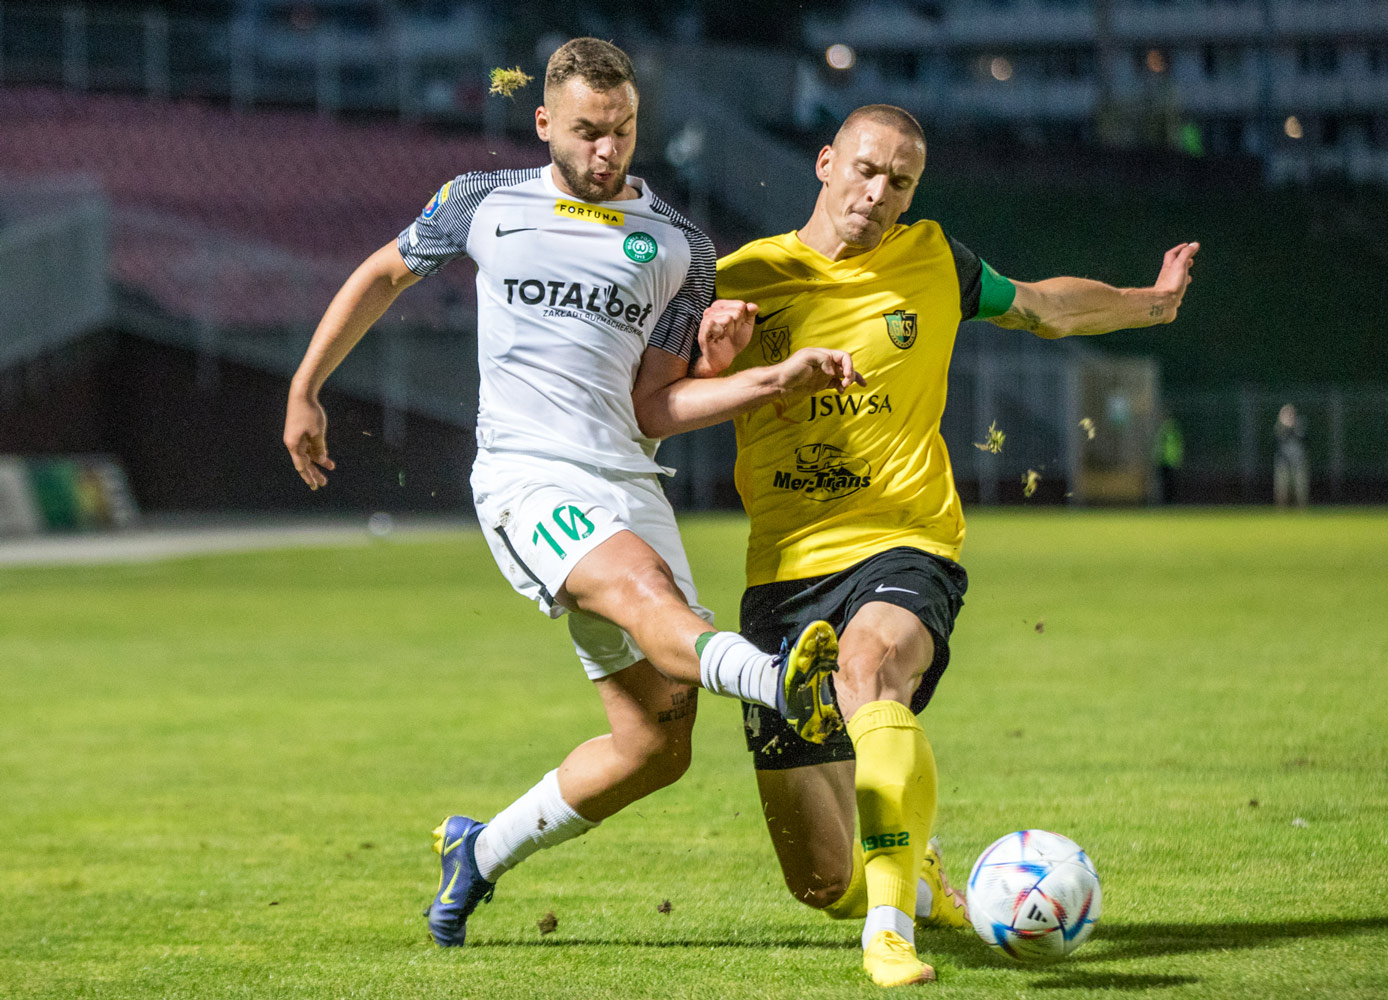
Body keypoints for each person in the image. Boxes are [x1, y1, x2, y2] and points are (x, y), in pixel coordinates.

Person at [281, 38, 866, 949]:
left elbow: (657, 405)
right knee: (647, 595)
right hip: (526, 474)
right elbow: (381, 274)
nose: (608, 150)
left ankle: (478, 854)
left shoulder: (680, 246)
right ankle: (777, 683)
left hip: (630, 478)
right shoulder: (483, 203)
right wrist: (305, 387)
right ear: (546, 122)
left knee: (655, 748)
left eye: (624, 130)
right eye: (589, 131)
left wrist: (763, 378)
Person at [634, 104, 1198, 987]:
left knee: (867, 673)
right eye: (864, 169)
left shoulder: (937, 261)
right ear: (824, 164)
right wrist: (718, 362)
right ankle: (921, 886)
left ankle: (889, 934)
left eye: (900, 180)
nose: (878, 192)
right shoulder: (742, 278)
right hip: (781, 573)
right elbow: (663, 403)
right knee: (821, 879)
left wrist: (1150, 304)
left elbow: (1046, 307)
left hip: (905, 539)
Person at [1274, 403, 1309, 507]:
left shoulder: (1299, 425)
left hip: (1298, 461)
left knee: (1300, 488)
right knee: (1282, 488)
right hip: (1283, 461)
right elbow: (1279, 440)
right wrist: (1286, 427)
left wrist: (1293, 427)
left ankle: (1301, 509)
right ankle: (1281, 510)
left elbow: (1305, 439)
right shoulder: (1279, 427)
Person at [1154, 411, 1185, 503]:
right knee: (1169, 482)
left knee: (1168, 482)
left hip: (1167, 460)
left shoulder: (1166, 430)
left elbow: (1161, 446)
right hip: (1169, 460)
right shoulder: (1170, 430)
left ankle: (1168, 501)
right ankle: (1168, 500)